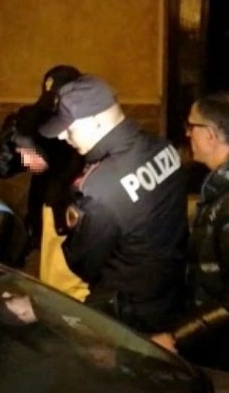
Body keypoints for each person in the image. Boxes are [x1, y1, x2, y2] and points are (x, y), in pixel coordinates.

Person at [39, 75, 187, 332]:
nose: (62, 136)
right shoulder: (161, 146)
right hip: (170, 291)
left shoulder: (100, 189)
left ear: (96, 121)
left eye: (69, 128)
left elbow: (83, 262)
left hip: (127, 313)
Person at [152, 91, 229, 363]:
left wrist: (178, 337)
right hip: (215, 343)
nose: (187, 134)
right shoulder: (224, 187)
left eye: (191, 126)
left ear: (210, 134)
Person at [0, 65, 87, 298]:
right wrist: (13, 141)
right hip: (40, 229)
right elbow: (0, 168)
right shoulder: (38, 123)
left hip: (75, 234)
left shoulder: (87, 130)